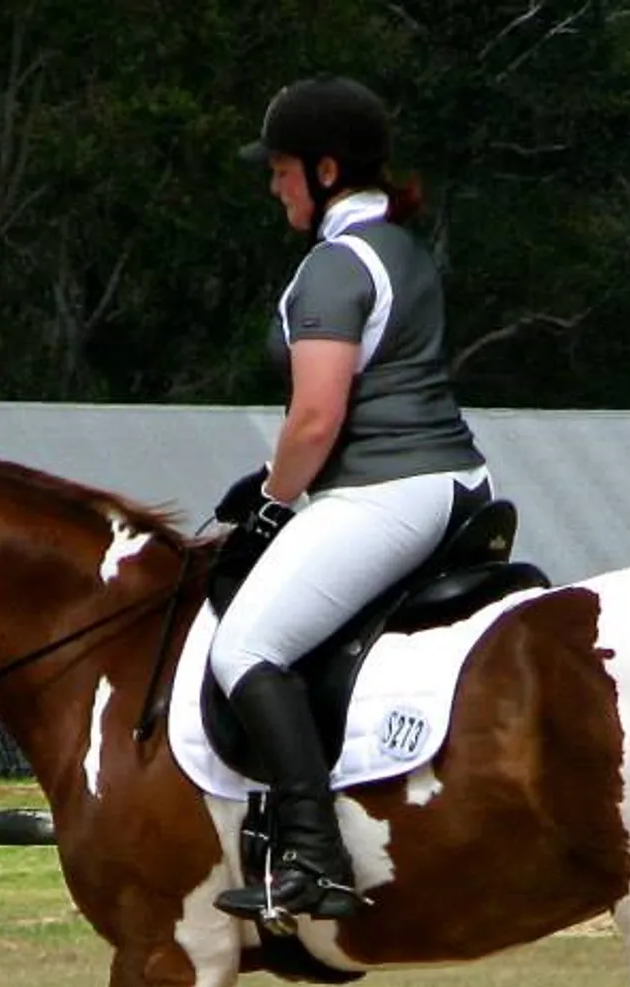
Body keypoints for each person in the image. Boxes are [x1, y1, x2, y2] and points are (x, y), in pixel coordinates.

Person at [209, 75, 492, 923]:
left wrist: (268, 498)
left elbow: (315, 418)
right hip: (455, 479)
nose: (273, 185)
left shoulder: (332, 269)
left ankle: (314, 854)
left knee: (246, 648)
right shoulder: (403, 247)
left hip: (386, 487)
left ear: (326, 170)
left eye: (283, 169)